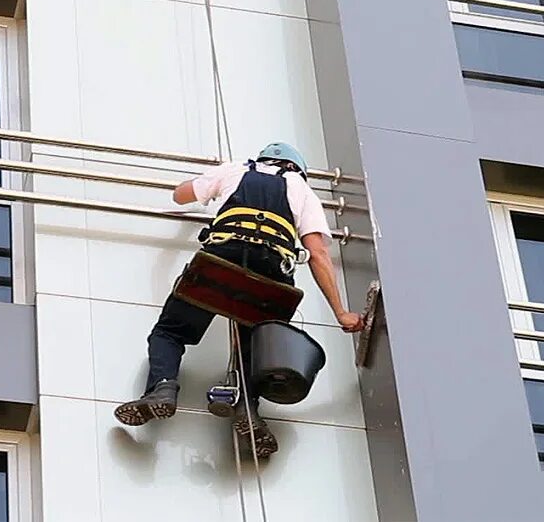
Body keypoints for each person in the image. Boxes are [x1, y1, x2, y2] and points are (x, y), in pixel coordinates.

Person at [114, 142, 365, 458]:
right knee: (260, 346)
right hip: (272, 276)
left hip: (221, 262)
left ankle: (162, 388)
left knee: (171, 332)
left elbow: (180, 195)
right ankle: (248, 409)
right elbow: (318, 254)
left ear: (263, 159)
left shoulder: (236, 169)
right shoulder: (302, 190)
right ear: (296, 168)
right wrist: (341, 312)